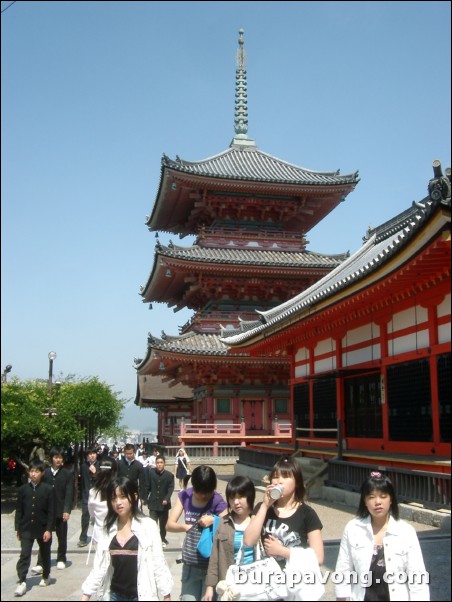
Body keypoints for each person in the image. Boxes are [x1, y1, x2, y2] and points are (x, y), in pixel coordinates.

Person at [335, 471, 430, 601]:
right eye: (371, 497)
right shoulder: (353, 529)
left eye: (383, 496)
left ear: (391, 499)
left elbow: (417, 576)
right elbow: (343, 569)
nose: (377, 502)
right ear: (364, 501)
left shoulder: (406, 532)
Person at [81, 477, 173, 601]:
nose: (118, 502)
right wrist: (86, 595)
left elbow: (158, 562)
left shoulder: (148, 526)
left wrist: (166, 595)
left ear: (134, 497)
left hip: (141, 595)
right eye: (113, 498)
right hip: (113, 595)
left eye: (123, 497)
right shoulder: (107, 529)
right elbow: (99, 566)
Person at [244, 455, 324, 594]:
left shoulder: (307, 514)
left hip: (294, 586)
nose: (279, 480)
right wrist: (265, 505)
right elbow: (249, 541)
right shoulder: (262, 509)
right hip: (266, 585)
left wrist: (283, 552)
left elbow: (318, 557)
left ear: (297, 482)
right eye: (275, 476)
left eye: (286, 476)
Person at [167, 464, 228, 601]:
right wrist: (185, 527)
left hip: (211, 568)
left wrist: (214, 520)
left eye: (207, 493)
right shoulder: (184, 496)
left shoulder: (217, 500)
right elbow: (169, 525)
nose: (203, 496)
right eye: (199, 492)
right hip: (190, 565)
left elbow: (229, 525)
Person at [204, 476, 256, 601]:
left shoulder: (259, 522)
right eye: (232, 498)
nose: (236, 502)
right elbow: (214, 557)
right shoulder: (224, 523)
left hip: (255, 585)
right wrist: (210, 586)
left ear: (250, 496)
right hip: (229, 586)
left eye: (240, 497)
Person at [14, 459, 55, 597]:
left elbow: (51, 511)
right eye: (31, 471)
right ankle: (22, 580)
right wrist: (18, 528)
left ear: (42, 473)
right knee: (25, 553)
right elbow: (19, 511)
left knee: (44, 553)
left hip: (42, 527)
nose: (33, 474)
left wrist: (49, 529)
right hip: (26, 527)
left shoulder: (48, 489)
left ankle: (45, 575)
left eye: (36, 471)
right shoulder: (23, 490)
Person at [32, 446, 73, 574]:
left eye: (60, 457)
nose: (58, 460)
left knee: (62, 536)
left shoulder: (67, 473)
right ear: (52, 458)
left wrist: (67, 510)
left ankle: (61, 558)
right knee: (44, 536)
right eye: (56, 457)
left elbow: (69, 492)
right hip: (46, 510)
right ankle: (41, 562)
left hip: (60, 508)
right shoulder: (45, 473)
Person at [144, 455, 174, 547]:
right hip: (153, 502)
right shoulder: (151, 473)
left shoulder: (169, 475)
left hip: (164, 504)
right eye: (158, 463)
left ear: (164, 464)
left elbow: (170, 488)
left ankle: (162, 539)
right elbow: (147, 486)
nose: (159, 465)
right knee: (152, 523)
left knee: (163, 524)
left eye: (161, 463)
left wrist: (166, 498)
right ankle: (153, 539)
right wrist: (144, 498)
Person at [87, 458, 117, 545]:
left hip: (99, 534)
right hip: (116, 533)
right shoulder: (119, 490)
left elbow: (91, 513)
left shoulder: (93, 492)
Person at [78, 447, 100, 547]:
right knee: (85, 516)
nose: (92, 455)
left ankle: (100, 536)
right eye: (90, 454)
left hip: (98, 494)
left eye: (93, 453)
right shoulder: (83, 466)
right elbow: (81, 481)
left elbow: (103, 479)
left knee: (99, 516)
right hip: (86, 495)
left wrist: (96, 473)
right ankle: (83, 537)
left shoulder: (100, 465)